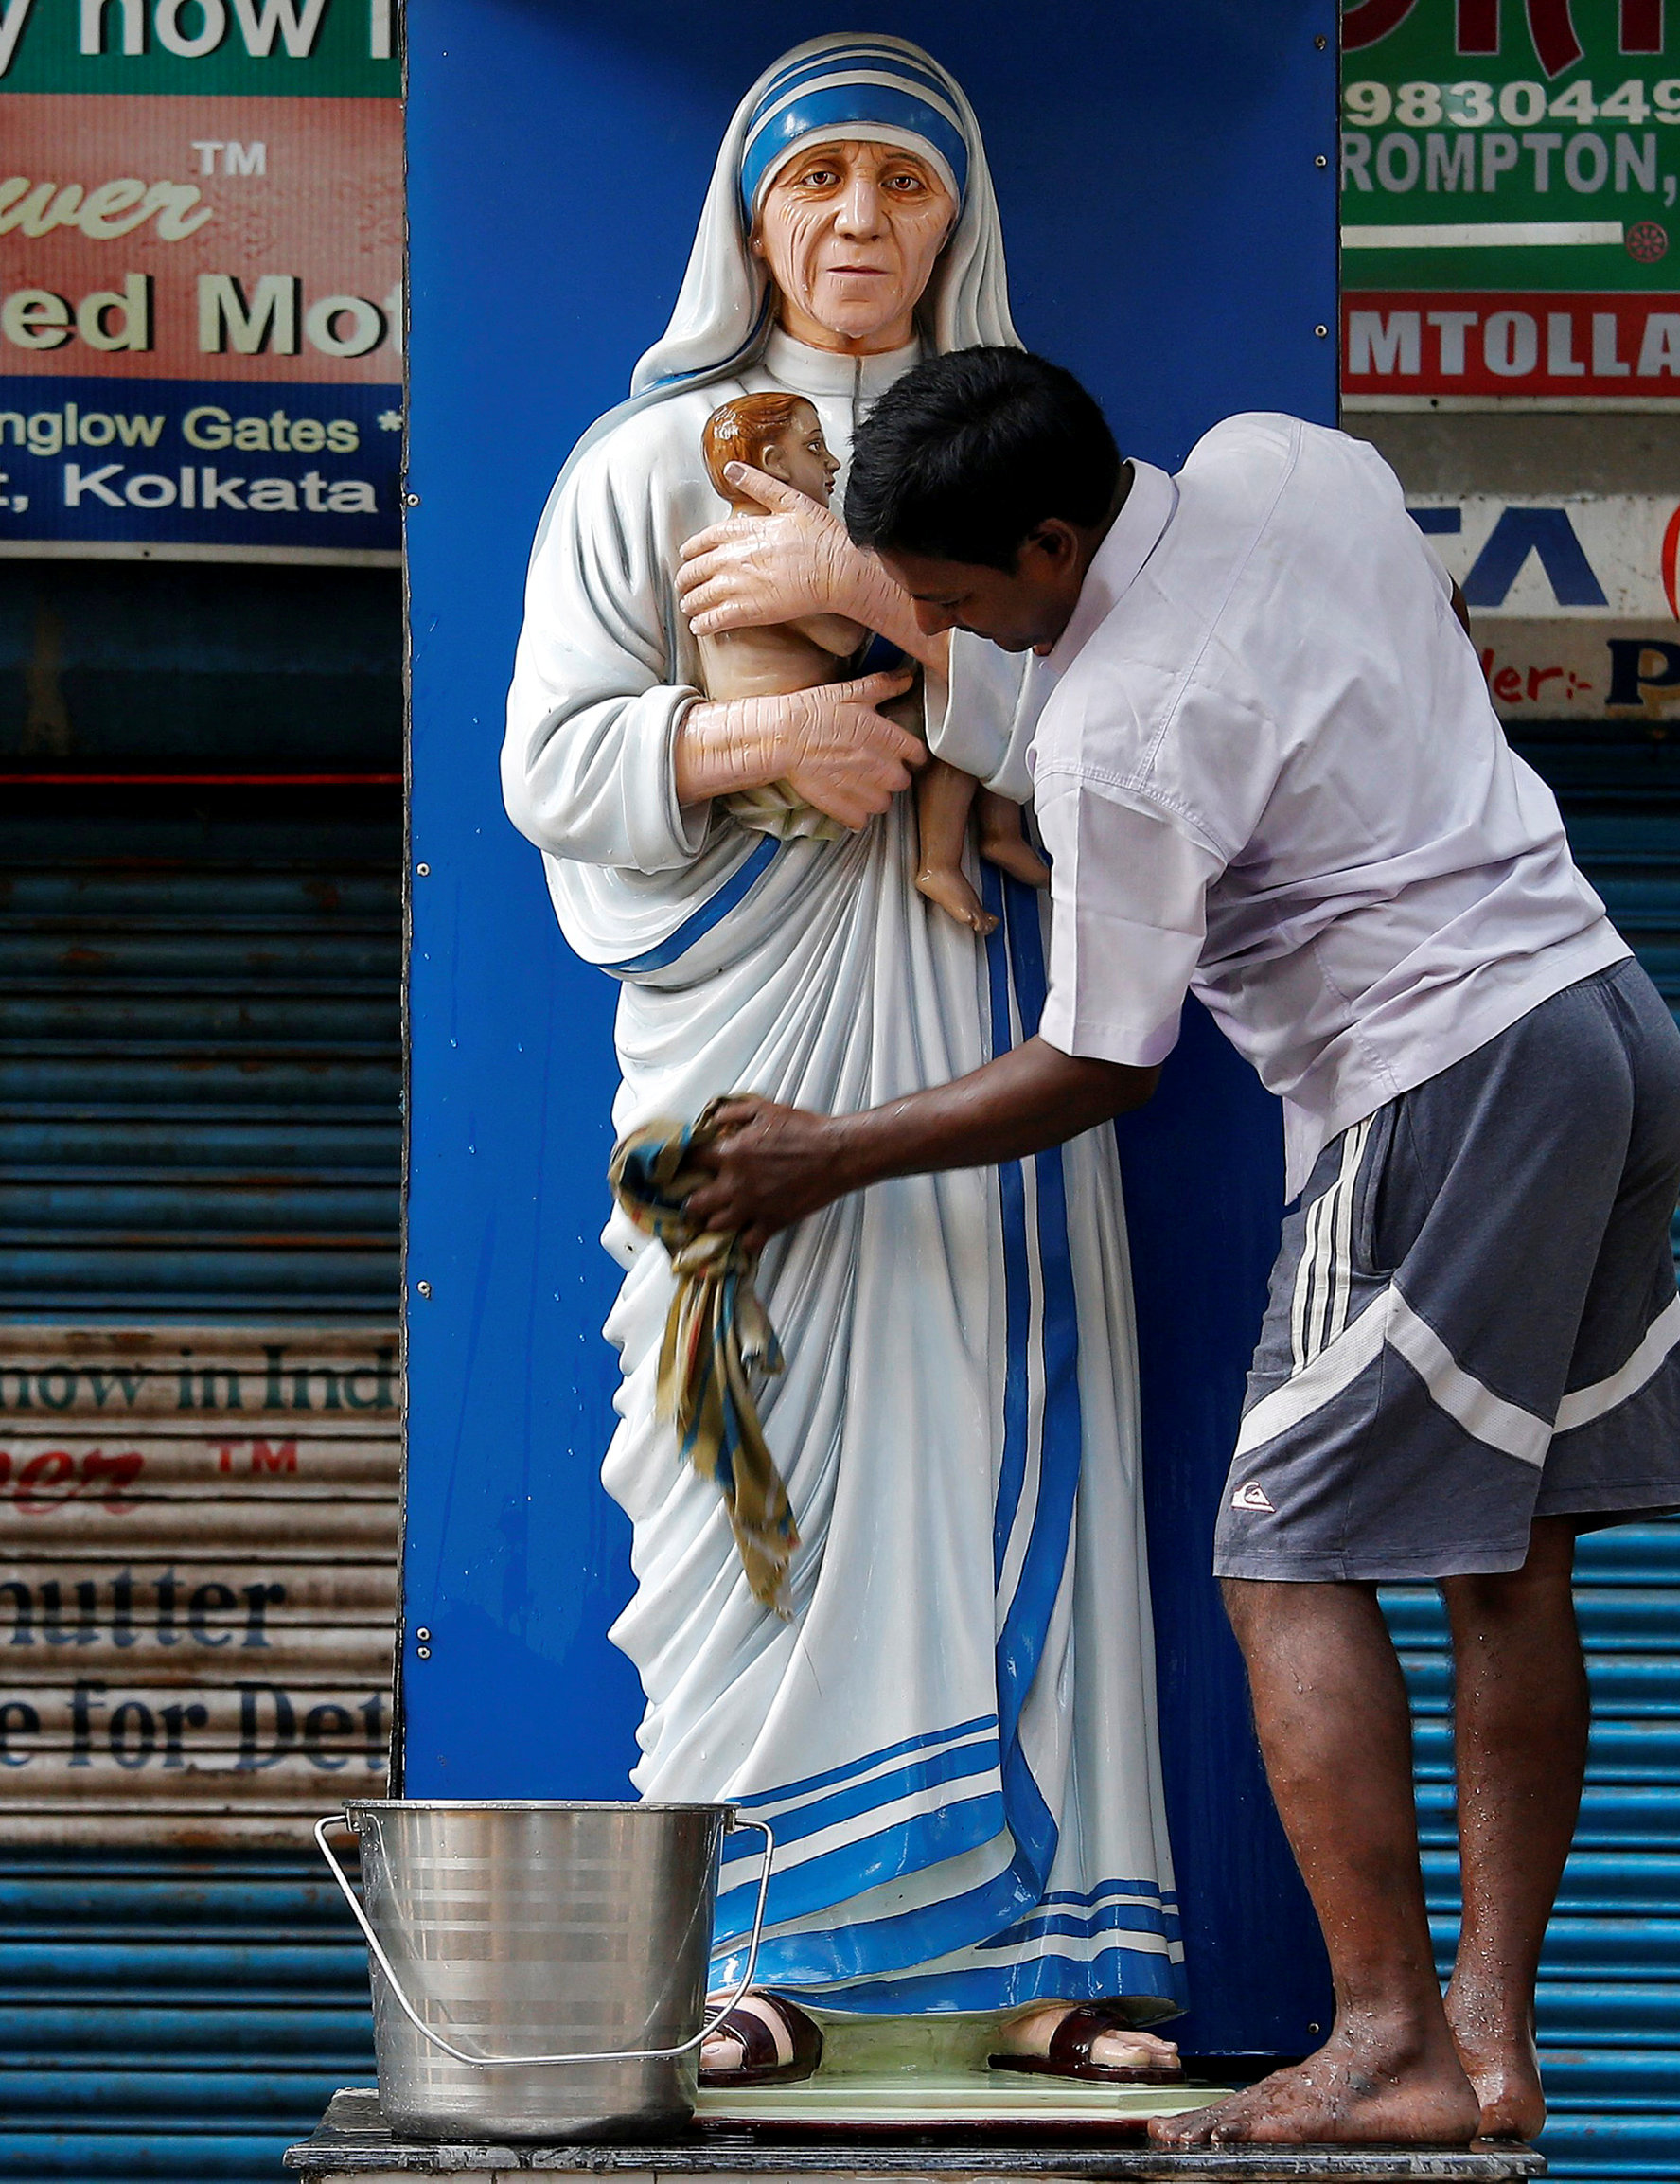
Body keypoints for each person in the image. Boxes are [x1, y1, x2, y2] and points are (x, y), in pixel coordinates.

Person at [679, 347, 1680, 2148]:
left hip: (1438, 1077)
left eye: (945, 602)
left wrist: (825, 1157)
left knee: (1280, 1556)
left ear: (1052, 538)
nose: (932, 631)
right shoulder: (1285, 461)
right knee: (1513, 1556)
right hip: (1605, 1024)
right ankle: (1485, 2046)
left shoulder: (1123, 736)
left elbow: (1102, 1056)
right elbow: (1334, 673)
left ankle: (1388, 2037)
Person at [500, 38, 1184, 2089]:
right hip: (742, 1022)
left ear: (959, 212)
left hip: (980, 1032)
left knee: (1005, 1440)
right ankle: (755, 1944)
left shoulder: (1030, 453)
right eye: (818, 186)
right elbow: (547, 764)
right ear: (750, 218)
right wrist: (755, 737)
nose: (859, 225)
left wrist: (848, 588)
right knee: (750, 1453)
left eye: (902, 183)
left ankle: (1045, 1966)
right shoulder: (640, 466)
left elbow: (1131, 726)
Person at [691, 390, 1049, 932]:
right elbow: (842, 640)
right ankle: (947, 859)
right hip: (797, 758)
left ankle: (998, 837)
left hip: (817, 723)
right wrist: (857, 591)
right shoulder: (763, 550)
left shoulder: (733, 538)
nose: (832, 462)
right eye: (814, 448)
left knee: (971, 680)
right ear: (773, 464)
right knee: (954, 704)